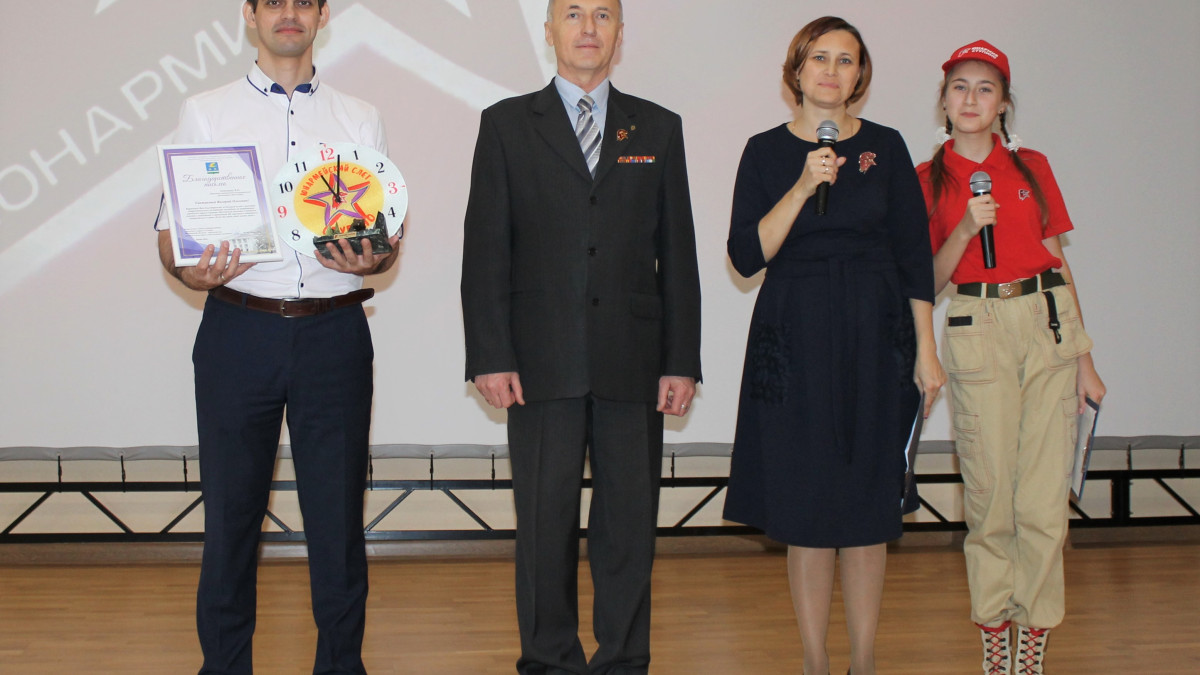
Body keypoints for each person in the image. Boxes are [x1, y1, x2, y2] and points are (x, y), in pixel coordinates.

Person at [154, 1, 401, 672]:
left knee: (337, 524)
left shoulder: (360, 117)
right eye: (273, 1)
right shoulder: (206, 111)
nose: (288, 13)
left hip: (335, 335)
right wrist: (188, 266)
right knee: (231, 520)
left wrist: (374, 258)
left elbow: (386, 236)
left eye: (303, 1)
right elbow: (171, 233)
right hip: (238, 331)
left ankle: (341, 666)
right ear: (250, 14)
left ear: (322, 14)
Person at [460, 1, 702, 672]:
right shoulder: (507, 125)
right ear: (550, 32)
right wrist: (490, 354)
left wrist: (681, 359)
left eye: (602, 14)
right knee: (544, 528)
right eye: (573, 13)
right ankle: (549, 660)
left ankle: (624, 660)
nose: (588, 27)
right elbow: (485, 251)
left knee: (628, 531)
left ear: (620, 33)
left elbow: (678, 252)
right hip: (540, 363)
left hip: (634, 362)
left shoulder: (658, 126)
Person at [722, 16, 945, 675]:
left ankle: (864, 661)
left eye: (846, 60)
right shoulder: (765, 151)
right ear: (796, 71)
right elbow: (745, 256)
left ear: (859, 77)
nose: (831, 70)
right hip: (794, 337)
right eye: (819, 57)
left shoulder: (886, 146)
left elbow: (913, 256)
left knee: (868, 506)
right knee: (809, 505)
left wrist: (926, 350)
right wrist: (801, 186)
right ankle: (816, 662)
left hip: (878, 335)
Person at [916, 40, 1106, 675]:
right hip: (978, 326)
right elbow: (929, 281)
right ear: (944, 100)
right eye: (960, 86)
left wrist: (1084, 358)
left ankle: (1035, 634)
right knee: (991, 493)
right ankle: (994, 627)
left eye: (985, 88)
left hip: (1047, 323)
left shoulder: (1032, 165)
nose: (971, 98)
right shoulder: (926, 179)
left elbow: (1058, 259)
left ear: (1002, 103)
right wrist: (967, 228)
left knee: (1044, 498)